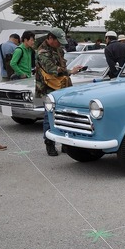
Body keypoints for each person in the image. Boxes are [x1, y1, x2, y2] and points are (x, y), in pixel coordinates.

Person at [36, 28, 82, 156]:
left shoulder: (59, 49)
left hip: (62, 86)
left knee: (64, 115)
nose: (60, 44)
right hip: (47, 88)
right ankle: (49, 143)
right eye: (58, 41)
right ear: (50, 38)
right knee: (48, 117)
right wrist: (70, 71)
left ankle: (65, 143)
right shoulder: (42, 52)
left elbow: (62, 66)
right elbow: (52, 69)